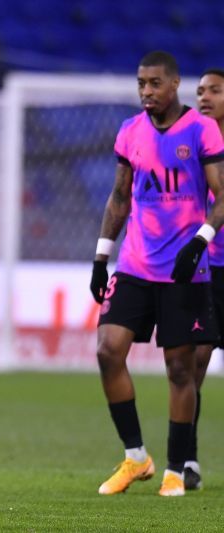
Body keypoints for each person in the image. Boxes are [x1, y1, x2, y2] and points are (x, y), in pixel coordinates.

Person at [89, 51, 224, 497]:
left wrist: (201, 240)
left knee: (180, 369)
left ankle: (175, 468)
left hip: (184, 269)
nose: (146, 92)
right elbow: (119, 197)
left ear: (174, 85)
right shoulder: (130, 132)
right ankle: (135, 458)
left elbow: (222, 195)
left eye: (154, 84)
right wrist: (101, 257)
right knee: (109, 350)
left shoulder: (201, 130)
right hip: (135, 264)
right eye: (141, 84)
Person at [188, 67, 224, 490]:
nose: (204, 96)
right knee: (193, 363)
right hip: (205, 271)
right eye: (199, 91)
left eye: (214, 89)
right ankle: (187, 459)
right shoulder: (190, 145)